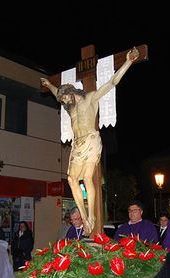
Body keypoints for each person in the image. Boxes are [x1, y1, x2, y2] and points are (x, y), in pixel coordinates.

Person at [40, 47, 140, 234]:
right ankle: (84, 216)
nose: (63, 101)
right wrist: (49, 85)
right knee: (71, 179)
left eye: (64, 97)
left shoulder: (91, 98)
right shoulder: (70, 108)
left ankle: (92, 216)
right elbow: (57, 95)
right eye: (62, 99)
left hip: (91, 140)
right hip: (77, 144)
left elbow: (112, 82)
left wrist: (128, 61)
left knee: (86, 177)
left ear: (70, 92)